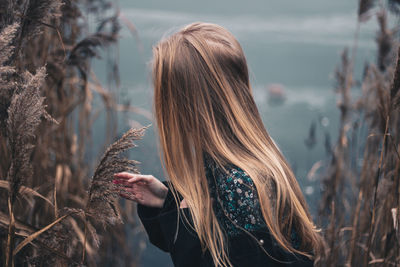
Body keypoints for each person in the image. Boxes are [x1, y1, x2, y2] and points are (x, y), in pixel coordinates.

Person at [113, 22, 323, 267]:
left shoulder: (238, 184)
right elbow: (221, 243)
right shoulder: (247, 158)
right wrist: (168, 201)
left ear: (185, 106)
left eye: (165, 96)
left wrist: (189, 218)